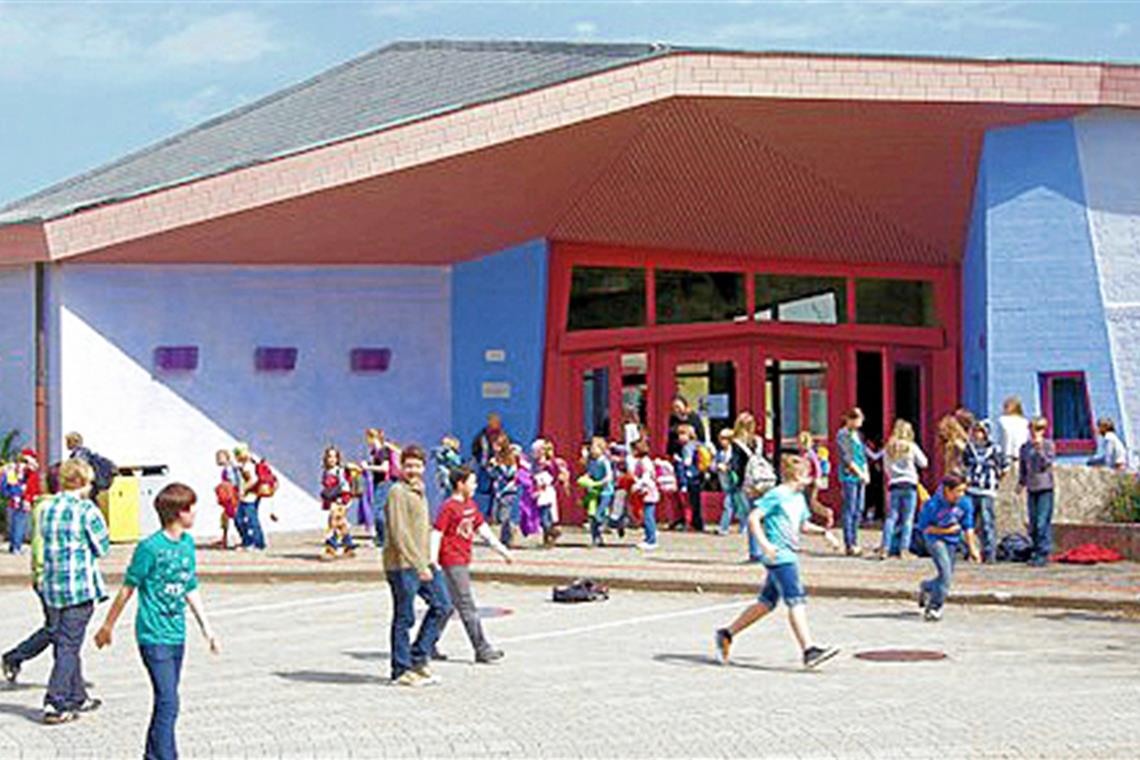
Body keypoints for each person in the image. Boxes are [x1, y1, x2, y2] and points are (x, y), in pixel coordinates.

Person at [95, 483, 220, 760]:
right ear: (178, 512)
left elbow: (189, 586)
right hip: (153, 635)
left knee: (166, 700)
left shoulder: (187, 544)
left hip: (177, 634)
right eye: (191, 507)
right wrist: (108, 625)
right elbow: (128, 588)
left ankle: (152, 755)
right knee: (168, 701)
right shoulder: (149, 548)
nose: (195, 512)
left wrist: (206, 628)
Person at [713, 455, 841, 669]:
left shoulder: (798, 499)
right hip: (779, 556)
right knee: (795, 600)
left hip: (786, 554)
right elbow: (754, 517)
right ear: (797, 476)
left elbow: (803, 525)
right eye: (808, 475)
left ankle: (726, 634)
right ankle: (809, 650)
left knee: (766, 603)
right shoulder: (777, 495)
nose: (811, 479)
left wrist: (825, 533)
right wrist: (764, 544)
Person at [38, 459, 109, 724]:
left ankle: (77, 695)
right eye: (90, 482)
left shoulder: (47, 507)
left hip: (53, 586)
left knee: (65, 642)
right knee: (69, 645)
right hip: (79, 588)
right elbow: (102, 546)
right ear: (81, 482)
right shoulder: (86, 510)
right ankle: (56, 701)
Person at [383, 445, 452, 687]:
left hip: (423, 562)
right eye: (408, 465)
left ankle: (419, 657)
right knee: (405, 616)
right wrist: (417, 564)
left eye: (417, 465)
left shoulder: (419, 491)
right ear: (402, 466)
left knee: (443, 605)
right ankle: (400, 670)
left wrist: (429, 561)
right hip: (402, 564)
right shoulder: (397, 492)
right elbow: (399, 531)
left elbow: (422, 530)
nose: (413, 470)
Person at [432, 467, 513, 664]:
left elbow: (483, 530)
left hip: (463, 558)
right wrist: (432, 559)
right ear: (460, 484)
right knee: (466, 604)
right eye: (472, 482)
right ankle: (481, 648)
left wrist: (502, 550)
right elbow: (437, 533)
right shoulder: (449, 507)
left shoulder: (470, 505)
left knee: (448, 605)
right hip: (452, 560)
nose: (475, 486)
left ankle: (426, 643)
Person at [2, 487, 52, 684]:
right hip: (48, 578)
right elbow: (39, 544)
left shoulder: (47, 506)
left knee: (61, 632)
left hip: (52, 577)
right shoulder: (47, 508)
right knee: (59, 631)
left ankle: (71, 688)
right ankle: (14, 656)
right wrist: (41, 573)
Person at [916, 474, 981, 621]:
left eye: (963, 491)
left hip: (952, 541)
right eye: (958, 491)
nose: (961, 495)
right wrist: (946, 531)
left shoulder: (965, 503)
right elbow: (925, 528)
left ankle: (927, 586)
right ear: (947, 490)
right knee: (945, 574)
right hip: (935, 540)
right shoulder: (932, 505)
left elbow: (968, 527)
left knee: (946, 576)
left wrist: (973, 549)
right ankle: (934, 607)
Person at [877, 420, 928, 560]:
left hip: (894, 484)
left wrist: (894, 474)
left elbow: (886, 467)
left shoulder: (889, 447)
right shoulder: (911, 446)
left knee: (891, 517)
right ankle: (904, 550)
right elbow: (924, 463)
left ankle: (884, 548)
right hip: (910, 484)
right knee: (908, 519)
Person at [963, 420, 1007, 563]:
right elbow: (965, 465)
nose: (978, 435)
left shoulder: (995, 449)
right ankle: (969, 551)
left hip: (987, 490)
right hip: (971, 488)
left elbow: (1004, 468)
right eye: (975, 432)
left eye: (981, 432)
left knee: (987, 521)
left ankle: (989, 552)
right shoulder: (969, 448)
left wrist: (996, 480)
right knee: (969, 521)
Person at [1019, 417, 1056, 568]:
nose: (1035, 432)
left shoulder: (1048, 445)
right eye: (1033, 429)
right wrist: (1021, 482)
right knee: (1033, 522)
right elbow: (1023, 466)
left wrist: (1040, 449)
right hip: (1031, 487)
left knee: (1042, 521)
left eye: (1039, 429)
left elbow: (1047, 463)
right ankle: (1035, 550)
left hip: (1045, 486)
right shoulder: (1025, 447)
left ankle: (1043, 552)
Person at [836, 407, 870, 556]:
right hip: (849, 475)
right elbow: (847, 457)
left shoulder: (858, 435)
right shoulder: (843, 435)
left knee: (859, 508)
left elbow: (862, 455)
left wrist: (866, 471)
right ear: (849, 419)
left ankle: (855, 540)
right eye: (858, 419)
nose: (860, 422)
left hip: (861, 475)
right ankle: (850, 543)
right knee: (849, 509)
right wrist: (860, 473)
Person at [362, 428, 400, 546]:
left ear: (373, 438)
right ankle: (383, 537)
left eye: (368, 439)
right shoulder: (376, 452)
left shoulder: (382, 451)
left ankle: (382, 539)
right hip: (380, 482)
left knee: (378, 511)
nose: (367, 442)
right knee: (380, 510)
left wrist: (368, 467)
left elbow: (385, 468)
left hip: (384, 482)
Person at [319, 446, 357, 560]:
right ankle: (348, 546)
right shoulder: (326, 472)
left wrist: (344, 497)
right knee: (341, 523)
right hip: (332, 499)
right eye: (329, 456)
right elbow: (327, 487)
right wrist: (325, 497)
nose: (331, 459)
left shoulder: (339, 471)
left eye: (334, 457)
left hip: (340, 499)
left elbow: (344, 484)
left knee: (333, 522)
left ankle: (331, 548)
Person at [579, 437, 615, 547]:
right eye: (591, 448)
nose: (592, 450)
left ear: (601, 449)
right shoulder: (591, 461)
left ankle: (611, 522)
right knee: (592, 516)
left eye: (594, 447)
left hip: (605, 491)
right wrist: (585, 479)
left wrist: (602, 482)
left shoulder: (604, 461)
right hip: (594, 491)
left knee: (599, 514)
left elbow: (609, 476)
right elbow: (590, 473)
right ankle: (596, 538)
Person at [3, 448, 41, 553]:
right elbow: (10, 485)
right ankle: (16, 546)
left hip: (19, 499)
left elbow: (33, 486)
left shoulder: (24, 471)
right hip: (19, 499)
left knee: (16, 522)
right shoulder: (19, 471)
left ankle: (14, 545)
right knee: (17, 523)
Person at [65, 432, 116, 507]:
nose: (66, 444)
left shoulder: (79, 455)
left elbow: (80, 470)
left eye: (68, 441)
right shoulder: (85, 453)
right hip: (93, 483)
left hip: (87, 483)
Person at [232, 443, 266, 552]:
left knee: (251, 520)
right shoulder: (246, 465)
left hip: (249, 496)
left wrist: (243, 490)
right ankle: (248, 541)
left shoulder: (248, 466)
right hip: (247, 497)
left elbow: (252, 480)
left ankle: (258, 543)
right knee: (239, 519)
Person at [471, 413, 505, 520]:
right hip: (484, 466)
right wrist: (480, 460)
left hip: (498, 466)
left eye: (496, 422)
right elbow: (475, 448)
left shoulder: (502, 435)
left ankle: (492, 515)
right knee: (482, 490)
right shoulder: (482, 436)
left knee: (496, 491)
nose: (494, 424)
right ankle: (479, 514)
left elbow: (506, 448)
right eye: (492, 422)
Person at [674, 424, 705, 533]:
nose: (680, 437)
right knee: (695, 502)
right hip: (696, 476)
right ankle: (697, 523)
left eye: (683, 434)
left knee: (690, 502)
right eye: (679, 434)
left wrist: (679, 461)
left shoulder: (688, 447)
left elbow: (687, 462)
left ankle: (691, 523)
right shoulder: (698, 445)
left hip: (690, 477)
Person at [490, 441, 521, 547]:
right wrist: (492, 467)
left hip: (508, 490)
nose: (495, 448)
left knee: (505, 515)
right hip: (498, 490)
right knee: (499, 515)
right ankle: (505, 537)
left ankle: (508, 538)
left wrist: (498, 466)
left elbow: (509, 475)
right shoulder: (495, 459)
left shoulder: (510, 461)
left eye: (497, 446)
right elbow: (492, 474)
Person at [631, 440, 660, 551]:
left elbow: (646, 477)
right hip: (646, 491)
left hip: (649, 491)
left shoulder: (645, 462)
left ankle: (651, 540)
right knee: (646, 515)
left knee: (648, 516)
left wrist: (638, 485)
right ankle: (649, 536)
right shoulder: (641, 461)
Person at [214, 449, 241, 550]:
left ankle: (234, 539)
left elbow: (234, 482)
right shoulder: (228, 468)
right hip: (229, 496)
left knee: (233, 517)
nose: (218, 460)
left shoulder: (230, 468)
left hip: (231, 496)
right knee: (225, 517)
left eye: (220, 457)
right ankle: (224, 539)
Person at [714, 429, 740, 535]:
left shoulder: (735, 452)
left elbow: (738, 465)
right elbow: (712, 466)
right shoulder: (720, 453)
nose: (722, 441)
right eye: (721, 439)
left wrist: (728, 467)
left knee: (735, 504)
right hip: (725, 483)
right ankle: (724, 527)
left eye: (725, 439)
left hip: (736, 481)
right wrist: (717, 466)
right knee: (729, 503)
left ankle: (726, 527)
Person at [996, 396, 1030, 466]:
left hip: (1007, 455)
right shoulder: (1025, 422)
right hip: (1021, 455)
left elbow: (1001, 440)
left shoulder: (1002, 420)